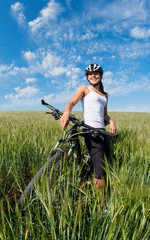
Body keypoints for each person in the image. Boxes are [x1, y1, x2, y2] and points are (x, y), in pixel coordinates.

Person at [59, 63, 117, 193]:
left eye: (96, 73)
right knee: (100, 171)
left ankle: (93, 183)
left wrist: (111, 121)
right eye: (90, 74)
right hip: (90, 131)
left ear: (101, 76)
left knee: (106, 162)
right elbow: (72, 102)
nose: (93, 76)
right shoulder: (84, 89)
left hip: (103, 132)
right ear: (87, 77)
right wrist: (67, 112)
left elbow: (104, 114)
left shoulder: (104, 96)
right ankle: (102, 205)